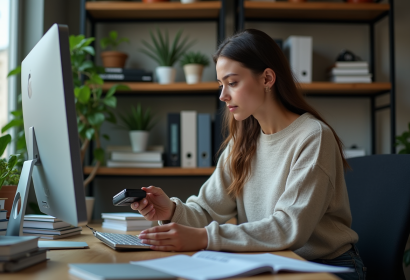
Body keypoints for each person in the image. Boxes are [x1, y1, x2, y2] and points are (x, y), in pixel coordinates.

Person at [132, 29, 366, 280]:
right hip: (275, 262)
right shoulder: (242, 141)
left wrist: (205, 237)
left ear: (267, 78)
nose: (223, 95)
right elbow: (208, 211)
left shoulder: (313, 136)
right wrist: (170, 211)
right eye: (221, 85)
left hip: (326, 267)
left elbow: (289, 227)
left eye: (232, 83)